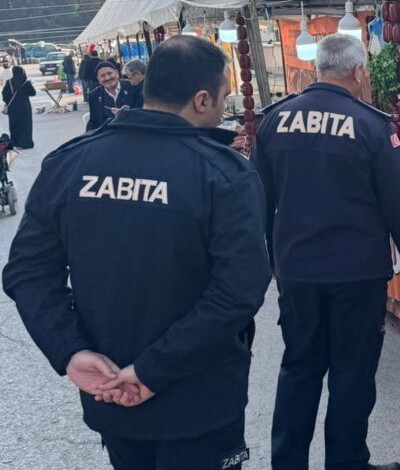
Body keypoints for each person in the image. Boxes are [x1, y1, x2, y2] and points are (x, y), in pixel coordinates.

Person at [2, 36, 271, 470]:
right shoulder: (223, 174)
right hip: (198, 400)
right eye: (224, 97)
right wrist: (152, 370)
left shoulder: (70, 164)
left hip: (110, 394)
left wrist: (70, 351)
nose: (225, 107)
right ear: (202, 99)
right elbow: (238, 292)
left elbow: (28, 273)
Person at [251, 34, 400, 470]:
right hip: (356, 271)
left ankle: (287, 463)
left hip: (297, 271)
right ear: (357, 73)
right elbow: (398, 201)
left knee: (299, 368)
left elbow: (255, 198)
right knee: (351, 372)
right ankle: (347, 463)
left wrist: (270, 259)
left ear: (316, 70)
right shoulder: (369, 125)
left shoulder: (275, 121)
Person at [3, 65, 37, 149]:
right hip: (25, 108)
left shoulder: (9, 82)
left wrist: (8, 102)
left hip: (13, 109)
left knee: (14, 125)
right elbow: (33, 93)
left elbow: (4, 95)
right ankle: (26, 143)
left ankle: (16, 143)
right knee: (26, 125)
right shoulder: (26, 82)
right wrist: (30, 85)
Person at [87, 62, 124, 131]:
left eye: (110, 73)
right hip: (107, 134)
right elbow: (94, 122)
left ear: (117, 73)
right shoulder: (94, 95)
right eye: (102, 76)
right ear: (98, 79)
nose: (107, 78)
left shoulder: (132, 87)